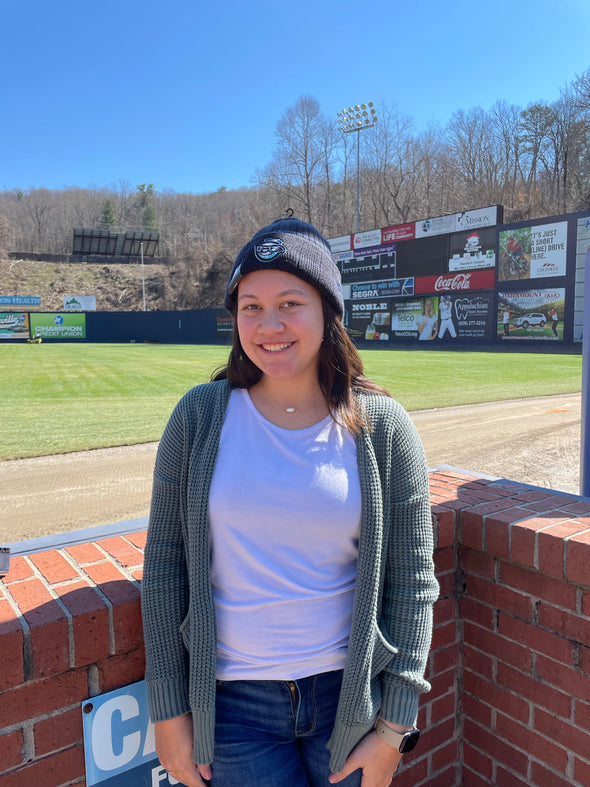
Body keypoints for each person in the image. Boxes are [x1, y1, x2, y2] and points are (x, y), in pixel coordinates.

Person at [141, 216, 439, 787]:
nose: (268, 324)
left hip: (349, 706)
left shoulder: (383, 428)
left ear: (329, 311)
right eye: (250, 306)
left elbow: (413, 583)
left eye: (290, 303)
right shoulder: (198, 418)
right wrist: (169, 708)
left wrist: (396, 726)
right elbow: (164, 570)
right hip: (233, 711)